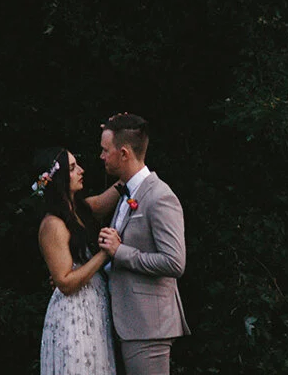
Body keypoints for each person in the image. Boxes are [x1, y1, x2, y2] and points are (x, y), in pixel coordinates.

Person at [96, 112, 189, 375]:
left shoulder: (160, 196)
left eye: (105, 150)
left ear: (123, 153)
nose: (101, 156)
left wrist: (120, 251)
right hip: (126, 321)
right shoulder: (128, 191)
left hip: (148, 327)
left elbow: (174, 261)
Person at [35, 146, 123, 375]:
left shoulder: (80, 209)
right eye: (73, 168)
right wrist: (104, 254)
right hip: (72, 316)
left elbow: (116, 191)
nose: (81, 171)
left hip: (92, 310)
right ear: (59, 178)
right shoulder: (53, 224)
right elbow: (64, 282)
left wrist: (129, 160)